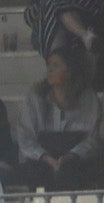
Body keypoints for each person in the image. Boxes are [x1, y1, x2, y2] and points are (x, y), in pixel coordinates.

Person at [18, 46, 104, 190]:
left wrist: (70, 156)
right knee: (35, 172)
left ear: (70, 71)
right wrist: (47, 158)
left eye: (56, 65)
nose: (49, 70)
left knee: (72, 170)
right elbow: (25, 138)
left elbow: (93, 139)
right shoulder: (35, 97)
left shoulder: (88, 98)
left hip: (76, 158)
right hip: (42, 158)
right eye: (48, 65)